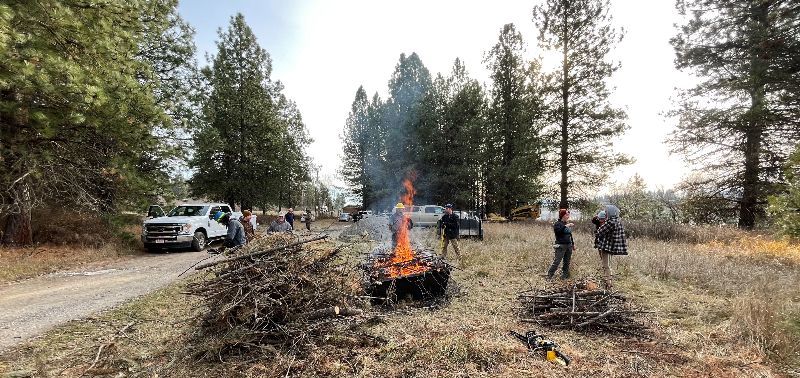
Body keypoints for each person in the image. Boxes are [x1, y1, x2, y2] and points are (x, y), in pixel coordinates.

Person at [595, 205, 627, 290]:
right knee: (608, 265)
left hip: (607, 247)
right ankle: (608, 282)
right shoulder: (618, 221)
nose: (606, 213)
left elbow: (599, 232)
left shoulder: (610, 222)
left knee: (606, 266)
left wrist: (600, 229)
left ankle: (608, 284)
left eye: (606, 212)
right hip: (612, 247)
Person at [548, 209, 574, 280]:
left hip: (569, 245)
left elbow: (570, 235)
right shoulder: (558, 224)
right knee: (557, 261)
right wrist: (566, 226)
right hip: (560, 246)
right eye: (566, 214)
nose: (568, 216)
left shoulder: (566, 223)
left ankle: (565, 275)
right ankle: (549, 275)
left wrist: (573, 244)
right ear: (562, 215)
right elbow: (558, 232)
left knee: (567, 262)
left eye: (568, 214)